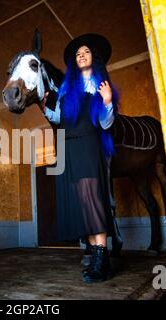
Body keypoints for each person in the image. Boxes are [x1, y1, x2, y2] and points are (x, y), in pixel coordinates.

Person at [38, 34, 118, 283]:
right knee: (82, 201)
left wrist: (107, 102)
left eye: (86, 51)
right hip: (69, 146)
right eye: (78, 54)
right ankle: (97, 256)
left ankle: (102, 257)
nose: (81, 55)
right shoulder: (67, 89)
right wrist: (44, 108)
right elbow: (60, 118)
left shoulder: (101, 85)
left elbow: (106, 123)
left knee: (91, 196)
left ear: (94, 56)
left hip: (88, 143)